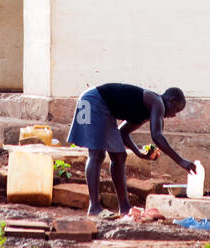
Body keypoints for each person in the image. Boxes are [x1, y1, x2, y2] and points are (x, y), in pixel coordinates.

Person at [66, 82, 196, 218]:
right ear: (171, 101)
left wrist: (138, 152)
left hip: (96, 102)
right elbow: (157, 136)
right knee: (97, 153)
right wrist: (181, 162)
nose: (174, 115)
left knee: (119, 156)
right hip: (93, 101)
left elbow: (123, 132)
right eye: (176, 109)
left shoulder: (148, 110)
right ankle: (94, 207)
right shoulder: (157, 102)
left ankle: (124, 207)